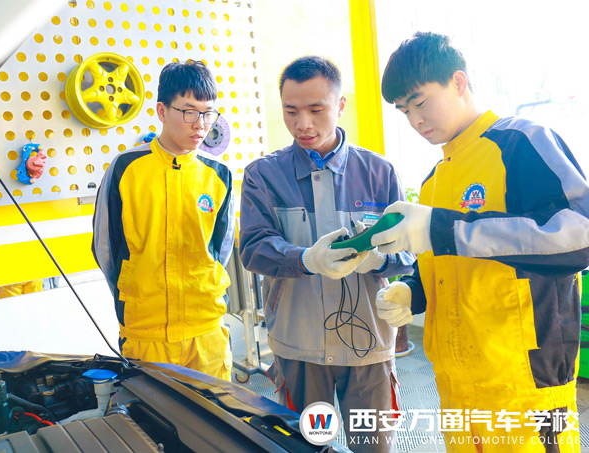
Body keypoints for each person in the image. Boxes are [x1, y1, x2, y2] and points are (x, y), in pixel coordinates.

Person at [375, 31, 589, 451]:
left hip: (524, 386)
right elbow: (449, 265)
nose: (415, 120)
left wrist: (444, 229)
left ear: (458, 82)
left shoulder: (521, 142)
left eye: (420, 102)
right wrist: (414, 291)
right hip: (456, 387)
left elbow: (579, 234)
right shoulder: (434, 181)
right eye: (404, 111)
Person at [239, 56, 414, 452]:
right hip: (298, 345)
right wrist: (306, 260)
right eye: (291, 111)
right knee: (305, 445)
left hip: (368, 346)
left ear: (340, 105)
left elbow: (408, 254)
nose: (303, 124)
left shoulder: (379, 172)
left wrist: (379, 259)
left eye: (316, 110)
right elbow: (253, 247)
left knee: (373, 445)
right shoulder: (263, 175)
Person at [92, 60, 235, 380]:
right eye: (189, 112)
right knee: (151, 413)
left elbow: (220, 250)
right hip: (146, 333)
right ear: (162, 111)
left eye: (208, 113)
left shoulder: (218, 174)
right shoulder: (125, 168)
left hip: (206, 331)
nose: (200, 124)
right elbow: (105, 249)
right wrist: (137, 294)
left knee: (213, 411)